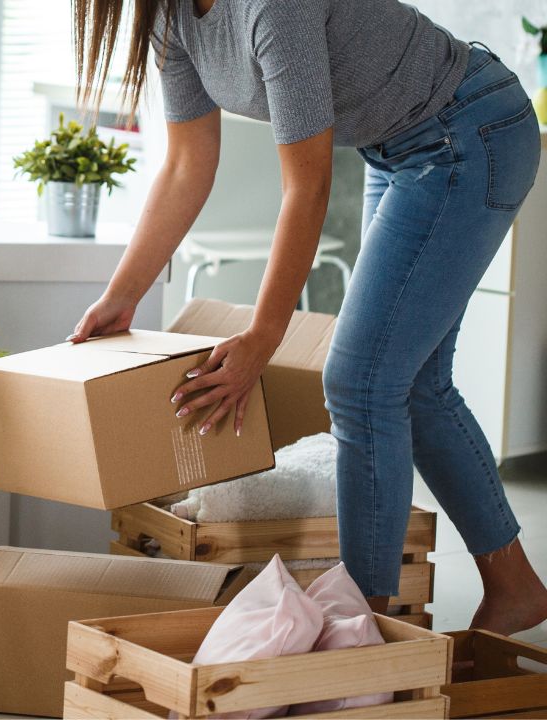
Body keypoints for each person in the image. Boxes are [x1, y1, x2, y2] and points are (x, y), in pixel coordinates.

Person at [68, 0, 546, 634]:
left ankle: (360, 628)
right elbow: (187, 163)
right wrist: (123, 293)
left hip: (467, 133)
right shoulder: (170, 16)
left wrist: (263, 338)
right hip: (396, 146)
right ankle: (515, 588)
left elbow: (308, 186)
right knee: (413, 384)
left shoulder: (272, 7)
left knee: (363, 383)